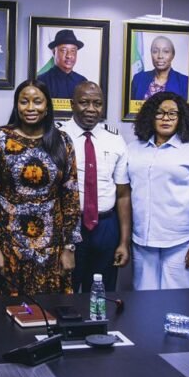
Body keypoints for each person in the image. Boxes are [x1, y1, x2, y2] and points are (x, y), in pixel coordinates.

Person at [0, 80, 81, 297]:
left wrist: (69, 248)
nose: (31, 108)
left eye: (37, 101)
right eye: (24, 102)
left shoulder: (62, 141)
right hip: (9, 246)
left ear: (47, 107)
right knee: (6, 314)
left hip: (51, 247)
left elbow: (70, 198)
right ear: (16, 106)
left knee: (50, 313)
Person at [127, 92, 189, 290]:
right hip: (143, 242)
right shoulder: (134, 148)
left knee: (180, 306)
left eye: (172, 114)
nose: (166, 118)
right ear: (150, 117)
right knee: (143, 304)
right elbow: (125, 193)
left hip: (183, 243)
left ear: (182, 118)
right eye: (160, 113)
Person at [58, 82, 130, 292]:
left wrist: (124, 241)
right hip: (69, 225)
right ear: (72, 104)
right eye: (84, 102)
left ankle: (98, 327)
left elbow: (123, 194)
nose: (91, 109)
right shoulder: (57, 137)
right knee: (65, 293)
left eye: (97, 103)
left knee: (101, 294)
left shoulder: (115, 139)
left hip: (106, 227)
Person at [130, 36, 189, 101]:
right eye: (155, 51)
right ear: (151, 54)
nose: (160, 56)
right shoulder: (138, 79)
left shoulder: (184, 82)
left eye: (166, 51)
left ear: (173, 55)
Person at [36, 29, 88, 100]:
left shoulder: (82, 82)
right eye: (63, 50)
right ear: (54, 52)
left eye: (73, 51)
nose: (69, 56)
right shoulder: (41, 80)